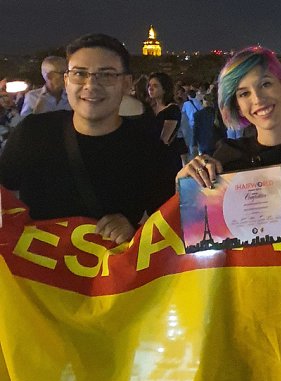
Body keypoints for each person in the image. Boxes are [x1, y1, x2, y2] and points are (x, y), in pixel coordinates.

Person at [0, 33, 181, 243]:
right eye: (80, 73)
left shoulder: (148, 148)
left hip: (109, 272)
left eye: (106, 75)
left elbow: (167, 226)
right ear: (67, 81)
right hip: (36, 270)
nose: (91, 84)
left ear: (126, 83)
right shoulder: (32, 133)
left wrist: (134, 230)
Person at [176, 46, 281, 188]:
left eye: (265, 84)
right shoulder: (227, 161)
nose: (258, 99)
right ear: (238, 107)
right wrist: (185, 184)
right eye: (244, 93)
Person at [148, 71, 189, 161]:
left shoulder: (172, 109)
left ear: (164, 89)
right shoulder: (149, 108)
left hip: (166, 158)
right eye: (149, 85)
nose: (150, 89)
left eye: (155, 86)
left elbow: (164, 139)